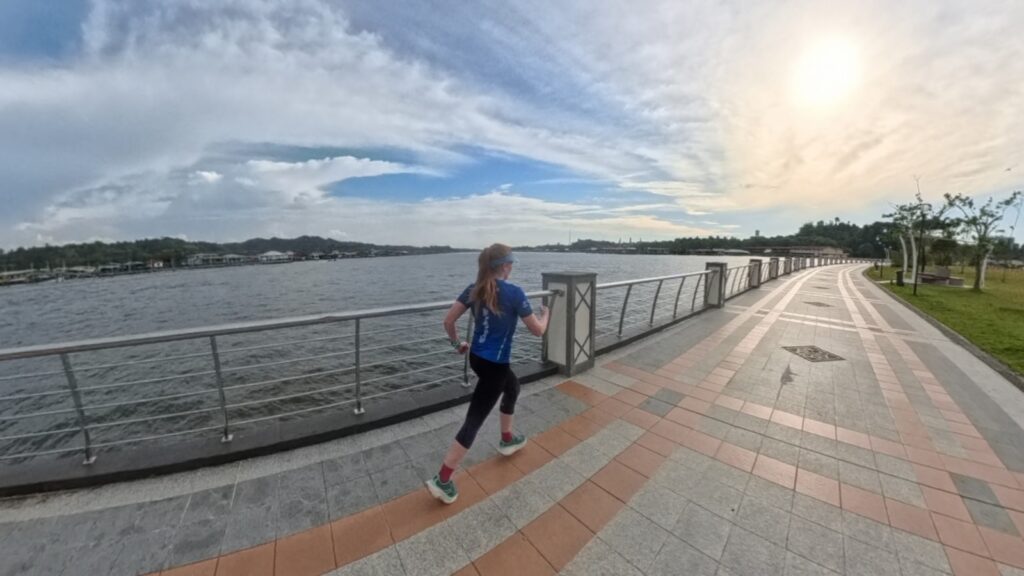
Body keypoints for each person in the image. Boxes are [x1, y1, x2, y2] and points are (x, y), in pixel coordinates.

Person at [426, 243, 550, 504]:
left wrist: (457, 344)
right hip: (495, 365)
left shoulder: (474, 290)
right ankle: (443, 478)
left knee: (513, 387)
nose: (513, 267)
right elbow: (538, 331)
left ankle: (507, 438)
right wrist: (546, 315)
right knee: (475, 420)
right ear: (504, 266)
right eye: (511, 263)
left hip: (477, 359)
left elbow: (448, 321)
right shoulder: (515, 293)